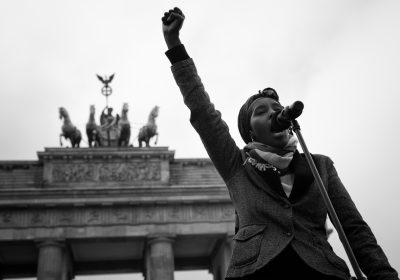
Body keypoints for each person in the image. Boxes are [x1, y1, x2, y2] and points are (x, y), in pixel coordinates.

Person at [161, 7, 399, 280]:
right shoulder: (237, 165)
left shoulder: (320, 165)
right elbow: (203, 112)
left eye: (276, 107)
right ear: (249, 132)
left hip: (322, 271)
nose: (274, 112)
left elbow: (354, 228)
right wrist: (174, 46)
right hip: (256, 271)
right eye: (260, 111)